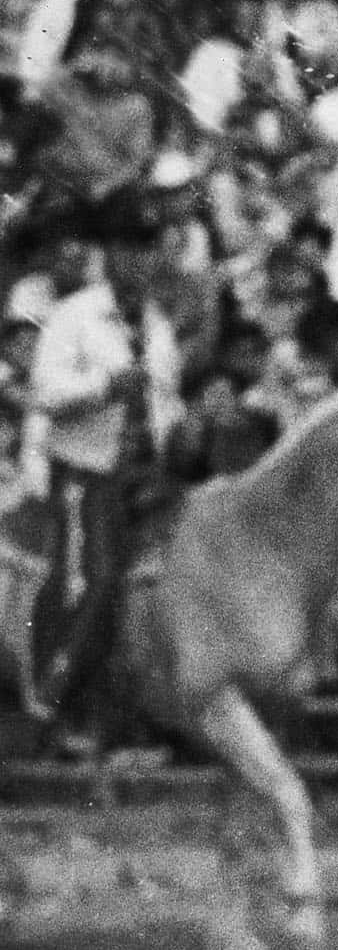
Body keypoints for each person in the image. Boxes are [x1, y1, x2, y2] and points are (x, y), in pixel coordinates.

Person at [26, 187, 180, 728]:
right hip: (87, 473)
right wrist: (103, 387)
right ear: (109, 254)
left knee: (171, 586)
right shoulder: (75, 316)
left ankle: (137, 714)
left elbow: (166, 402)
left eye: (147, 247)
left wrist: (179, 430)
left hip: (148, 477)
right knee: (93, 580)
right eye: (127, 247)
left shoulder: (158, 326)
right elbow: (43, 393)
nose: (138, 260)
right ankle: (45, 703)